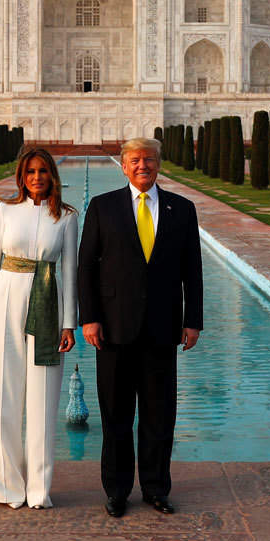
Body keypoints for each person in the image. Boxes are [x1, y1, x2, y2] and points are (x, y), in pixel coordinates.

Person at [77, 137, 203, 518]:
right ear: (123, 165)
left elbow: (192, 271)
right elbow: (87, 267)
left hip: (162, 328)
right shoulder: (103, 206)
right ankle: (116, 490)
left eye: (148, 159)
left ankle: (155, 488)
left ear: (159, 164)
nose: (142, 165)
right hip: (113, 329)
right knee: (115, 414)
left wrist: (192, 321)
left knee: (158, 414)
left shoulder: (181, 208)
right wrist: (89, 317)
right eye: (134, 160)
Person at [0, 147, 77, 509]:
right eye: (31, 171)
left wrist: (69, 324)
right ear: (22, 175)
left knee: (44, 400)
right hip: (5, 301)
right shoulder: (5, 210)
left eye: (43, 171)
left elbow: (70, 272)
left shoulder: (65, 217)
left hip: (48, 301)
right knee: (4, 397)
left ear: (52, 176)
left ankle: (38, 490)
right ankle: (6, 487)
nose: (37, 177)